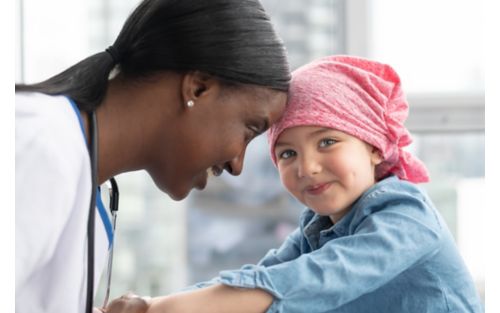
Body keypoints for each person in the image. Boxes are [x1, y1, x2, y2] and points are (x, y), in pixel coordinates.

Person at [105, 55, 483, 313]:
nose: (308, 167)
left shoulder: (407, 217)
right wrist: (153, 302)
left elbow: (311, 281)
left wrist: (156, 309)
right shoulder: (317, 229)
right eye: (287, 154)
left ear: (372, 145)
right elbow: (261, 277)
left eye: (327, 142)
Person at [15, 0, 291, 312]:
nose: (237, 165)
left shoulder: (74, 170)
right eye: (249, 130)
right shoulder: (40, 144)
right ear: (198, 89)